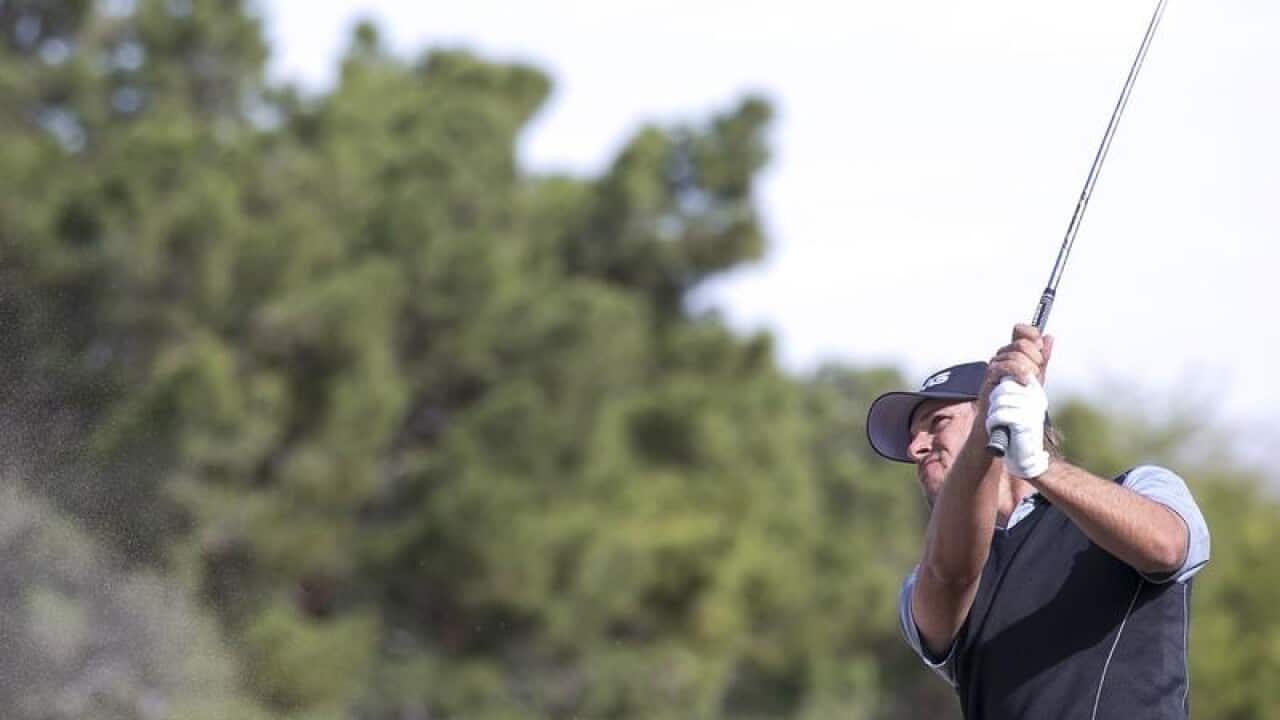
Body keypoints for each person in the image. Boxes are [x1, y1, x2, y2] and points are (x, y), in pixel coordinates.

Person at [866, 325, 1209, 719]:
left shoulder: (1141, 487)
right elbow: (950, 577)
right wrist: (983, 438)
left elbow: (1166, 546)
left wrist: (1037, 465)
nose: (915, 447)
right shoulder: (926, 577)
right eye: (912, 437)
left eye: (938, 422)